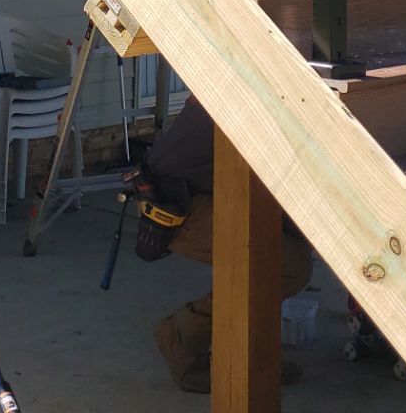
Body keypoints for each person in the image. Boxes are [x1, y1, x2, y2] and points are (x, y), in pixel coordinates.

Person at [134, 98, 313, 394]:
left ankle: (249, 353)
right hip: (178, 209)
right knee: (287, 265)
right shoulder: (269, 97)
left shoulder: (251, 79)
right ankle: (184, 337)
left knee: (280, 253)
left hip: (191, 194)